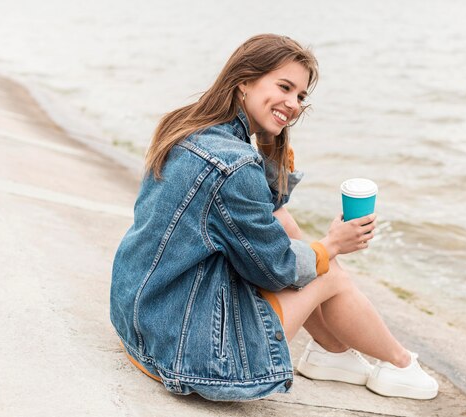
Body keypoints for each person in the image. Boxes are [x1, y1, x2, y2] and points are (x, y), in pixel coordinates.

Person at [110, 33, 438, 402]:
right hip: (187, 352)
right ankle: (400, 362)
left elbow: (266, 209)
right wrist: (331, 246)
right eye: (284, 87)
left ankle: (334, 354)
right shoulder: (234, 164)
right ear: (244, 81)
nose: (294, 104)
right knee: (327, 272)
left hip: (143, 317)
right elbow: (273, 269)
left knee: (285, 222)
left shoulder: (187, 126)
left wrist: (270, 139)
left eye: (300, 96)